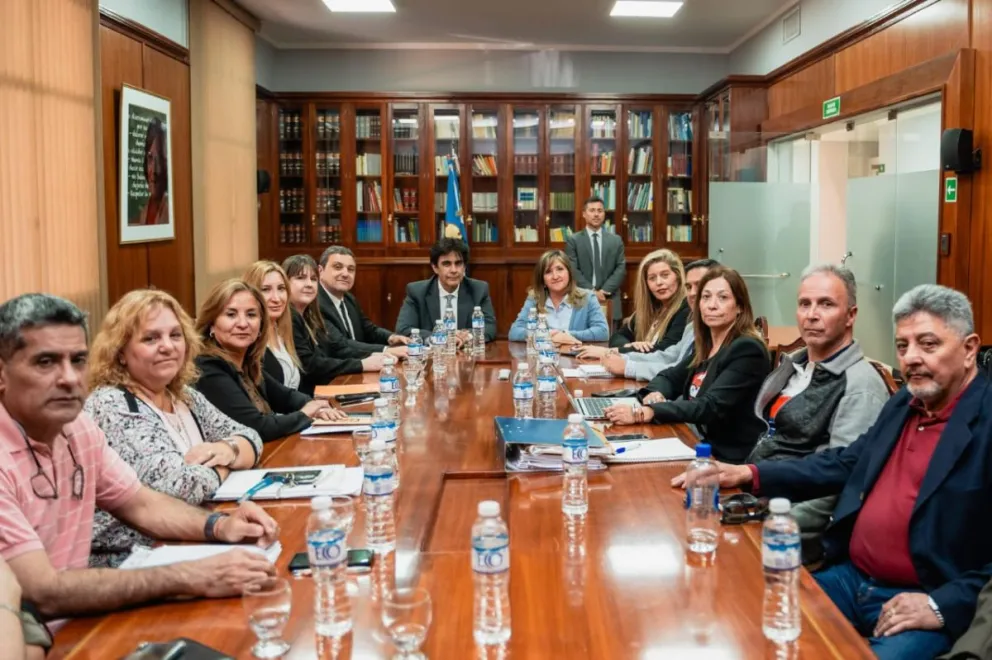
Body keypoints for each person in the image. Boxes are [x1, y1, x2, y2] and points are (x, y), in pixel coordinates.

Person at [685, 284, 991, 659]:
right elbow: (846, 461)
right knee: (745, 618)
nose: (911, 358)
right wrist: (749, 474)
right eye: (902, 345)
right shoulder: (906, 402)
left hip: (923, 598)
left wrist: (942, 605)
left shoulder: (985, 421)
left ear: (969, 349)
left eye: (928, 344)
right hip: (850, 577)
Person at [0, 294, 279, 623]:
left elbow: (141, 504)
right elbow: (42, 592)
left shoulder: (78, 429)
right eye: (45, 362)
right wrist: (191, 575)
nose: (70, 378)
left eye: (77, 360)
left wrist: (220, 526)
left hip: (81, 621)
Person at [83, 289, 264, 568]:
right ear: (120, 353)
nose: (167, 346)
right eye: (150, 338)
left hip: (191, 536)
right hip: (131, 559)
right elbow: (182, 488)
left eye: (175, 335)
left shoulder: (183, 396)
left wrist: (227, 449)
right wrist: (226, 464)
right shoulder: (113, 403)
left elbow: (252, 437)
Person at [745, 264, 890, 563]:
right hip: (754, 500)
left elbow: (839, 485)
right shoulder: (796, 365)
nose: (811, 315)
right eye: (804, 304)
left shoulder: (860, 386)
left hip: (790, 535)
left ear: (851, 315)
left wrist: (771, 528)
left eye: (826, 304)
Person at [605, 266, 770, 463]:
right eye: (706, 297)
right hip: (694, 441)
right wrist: (656, 394)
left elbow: (710, 406)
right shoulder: (706, 345)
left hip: (726, 458)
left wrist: (647, 412)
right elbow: (669, 376)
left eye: (723, 298)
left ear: (740, 306)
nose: (712, 305)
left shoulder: (747, 349)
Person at [194, 279, 345, 443]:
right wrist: (306, 413)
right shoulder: (208, 367)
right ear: (211, 324)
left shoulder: (247, 362)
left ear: (261, 325)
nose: (243, 324)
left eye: (251, 315)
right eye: (231, 315)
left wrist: (318, 407)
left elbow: (286, 397)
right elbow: (258, 427)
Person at [283, 254, 382, 397]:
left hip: (322, 390)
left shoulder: (310, 316)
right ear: (285, 283)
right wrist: (362, 364)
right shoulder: (290, 318)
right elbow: (310, 365)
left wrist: (372, 356)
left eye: (313, 279)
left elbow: (334, 349)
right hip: (309, 397)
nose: (309, 284)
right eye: (300, 278)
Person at [577, 250, 694, 366]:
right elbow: (618, 336)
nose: (659, 282)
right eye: (652, 278)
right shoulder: (652, 308)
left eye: (665, 275)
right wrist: (629, 345)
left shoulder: (686, 309)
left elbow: (662, 352)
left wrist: (609, 352)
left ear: (678, 277)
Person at [395, 238, 497, 344]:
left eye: (458, 263)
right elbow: (403, 329)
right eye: (446, 264)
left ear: (464, 267)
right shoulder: (417, 292)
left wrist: (466, 336)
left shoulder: (478, 289)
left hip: (465, 352)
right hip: (433, 352)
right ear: (435, 268)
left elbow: (490, 328)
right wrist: (442, 337)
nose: (454, 270)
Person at [317, 246, 408, 359]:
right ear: (320, 271)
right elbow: (340, 344)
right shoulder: (315, 304)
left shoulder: (349, 298)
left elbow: (368, 329)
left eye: (350, 269)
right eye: (338, 267)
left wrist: (391, 337)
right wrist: (387, 350)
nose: (345, 274)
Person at [508, 250, 608, 344]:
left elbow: (603, 332)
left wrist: (566, 335)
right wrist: (543, 335)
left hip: (576, 355)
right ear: (543, 279)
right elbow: (514, 332)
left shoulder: (587, 297)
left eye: (560, 269)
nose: (555, 276)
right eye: (548, 272)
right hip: (543, 355)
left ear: (569, 273)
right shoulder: (535, 299)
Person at [564, 196, 626, 326]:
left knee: (611, 337)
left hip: (609, 298)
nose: (596, 214)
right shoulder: (573, 240)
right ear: (584, 214)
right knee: (581, 337)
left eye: (600, 210)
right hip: (582, 299)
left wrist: (603, 291)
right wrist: (592, 292)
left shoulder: (616, 240)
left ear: (604, 214)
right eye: (592, 210)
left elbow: (620, 268)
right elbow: (572, 270)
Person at [243, 261, 303, 390]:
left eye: (281, 289)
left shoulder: (281, 330)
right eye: (266, 289)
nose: (276, 298)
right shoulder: (247, 339)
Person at [132, 118, 169, 227]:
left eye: (160, 159)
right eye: (150, 158)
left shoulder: (170, 212)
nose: (154, 170)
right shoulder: (143, 213)